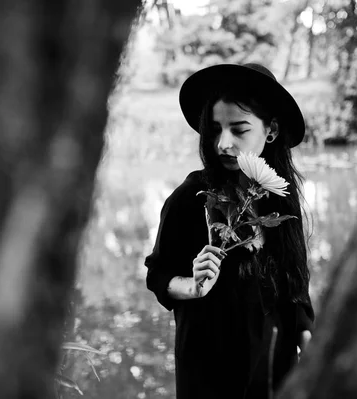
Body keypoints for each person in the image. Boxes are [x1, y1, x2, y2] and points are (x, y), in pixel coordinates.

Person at [144, 63, 314, 399]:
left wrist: (308, 342)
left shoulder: (281, 198)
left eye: (239, 130)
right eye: (215, 130)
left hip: (273, 368)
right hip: (210, 373)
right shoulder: (190, 199)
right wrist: (192, 286)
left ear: (271, 131)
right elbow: (158, 275)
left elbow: (295, 283)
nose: (223, 143)